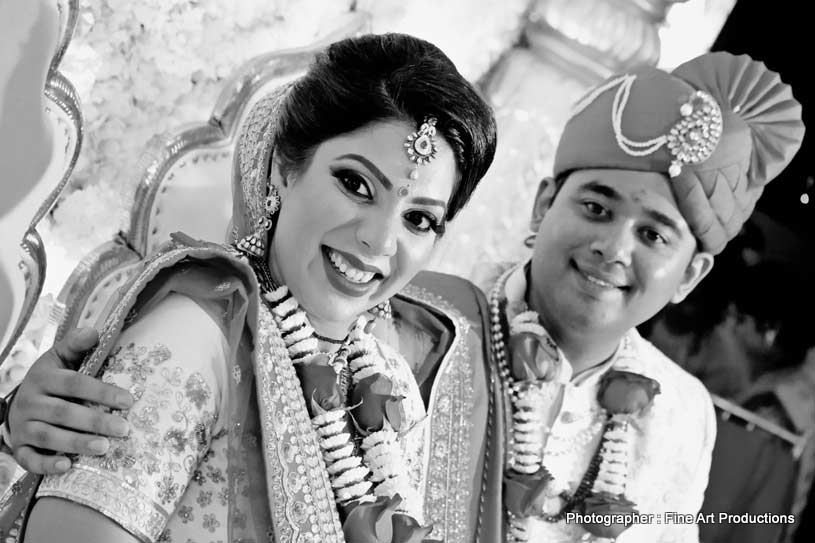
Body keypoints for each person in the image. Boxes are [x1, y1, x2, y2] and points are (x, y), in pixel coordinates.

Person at [0, 33, 501, 543]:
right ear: (285, 166)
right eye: (355, 184)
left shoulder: (392, 388)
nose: (380, 239)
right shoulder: (195, 336)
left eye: (418, 219)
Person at [484, 51, 804, 542]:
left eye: (654, 236)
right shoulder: (431, 327)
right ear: (544, 205)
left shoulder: (684, 413)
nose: (613, 249)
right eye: (595, 207)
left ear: (690, 276)